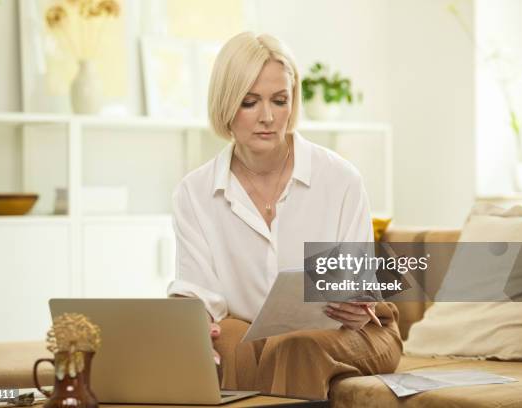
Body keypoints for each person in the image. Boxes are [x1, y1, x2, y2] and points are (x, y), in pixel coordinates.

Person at [167, 31, 402, 399]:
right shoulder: (194, 193)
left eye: (280, 101)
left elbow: (359, 284)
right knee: (228, 341)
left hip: (353, 332)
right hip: (253, 332)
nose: (267, 117)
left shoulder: (340, 179)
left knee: (291, 346)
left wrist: (359, 301)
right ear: (226, 104)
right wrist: (194, 325)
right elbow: (197, 292)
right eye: (249, 102)